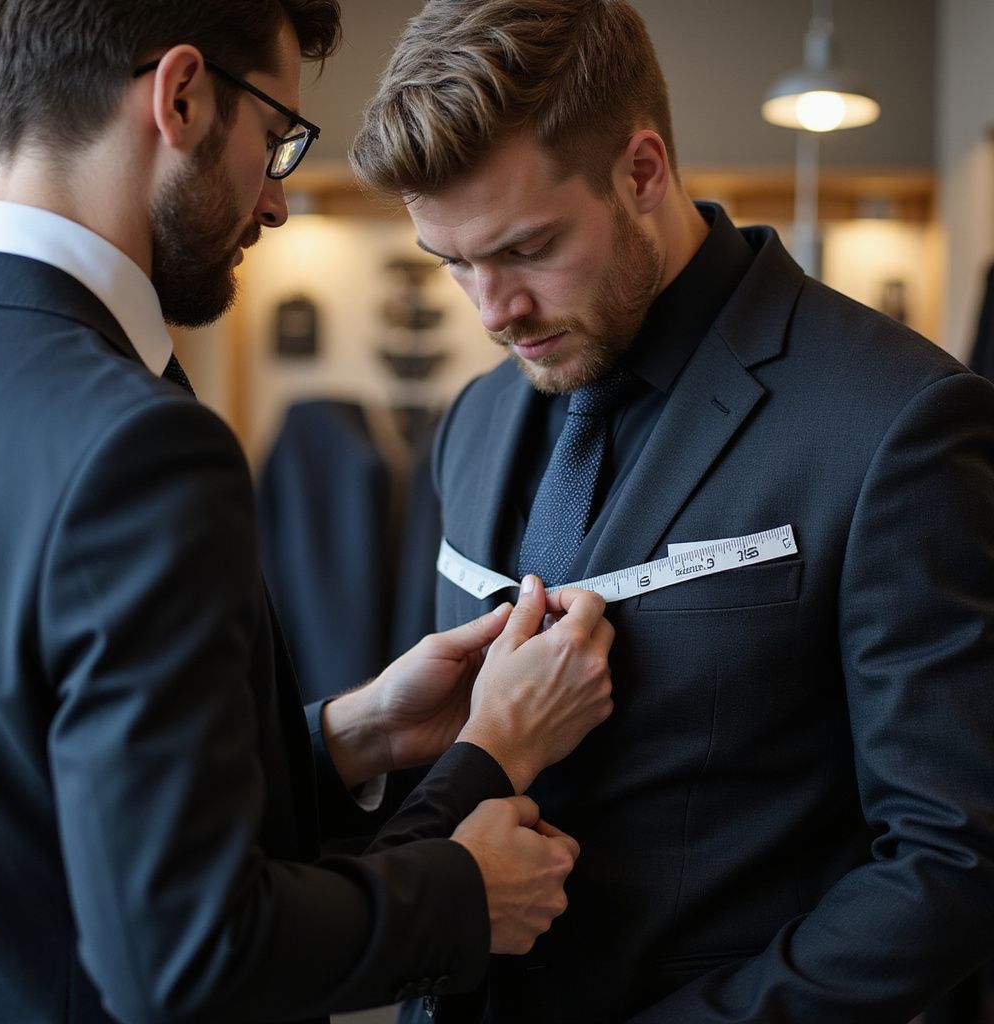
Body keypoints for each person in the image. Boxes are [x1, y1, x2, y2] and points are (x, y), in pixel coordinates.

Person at [0, 1, 617, 1021]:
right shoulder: (137, 444)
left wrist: (350, 735)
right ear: (180, 96)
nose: (275, 201)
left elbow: (41, 805)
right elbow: (180, 957)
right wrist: (469, 850)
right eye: (276, 139)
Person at [349, 1, 994, 1021]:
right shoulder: (472, 419)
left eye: (524, 247)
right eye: (453, 263)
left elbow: (950, 858)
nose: (489, 309)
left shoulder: (893, 422)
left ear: (642, 170)